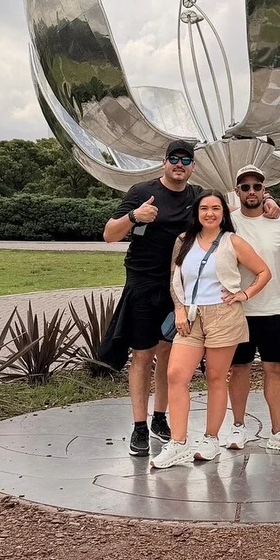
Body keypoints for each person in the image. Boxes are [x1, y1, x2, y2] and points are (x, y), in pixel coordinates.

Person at [151, 190, 271, 469]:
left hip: (222, 315)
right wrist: (179, 308)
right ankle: (178, 443)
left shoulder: (233, 242)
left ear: (223, 214)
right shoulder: (184, 241)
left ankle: (210, 438)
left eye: (216, 208)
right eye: (204, 208)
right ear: (196, 212)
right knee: (176, 374)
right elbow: (175, 279)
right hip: (190, 316)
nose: (209, 213)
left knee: (217, 377)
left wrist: (244, 294)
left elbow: (264, 272)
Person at [103, 140, 201, 456]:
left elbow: (222, 222)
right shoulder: (141, 191)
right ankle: (139, 427)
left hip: (178, 287)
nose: (180, 164)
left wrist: (271, 208)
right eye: (175, 158)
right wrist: (135, 216)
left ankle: (160, 418)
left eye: (186, 160)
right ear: (164, 162)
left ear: (192, 167)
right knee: (143, 355)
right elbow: (109, 234)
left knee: (168, 353)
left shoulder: (197, 196)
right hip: (143, 284)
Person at [227, 166, 280, 454]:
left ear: (265, 191)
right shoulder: (229, 221)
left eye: (257, 187)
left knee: (274, 368)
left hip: (273, 307)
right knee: (239, 368)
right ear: (237, 192)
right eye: (245, 187)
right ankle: (238, 426)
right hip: (238, 308)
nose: (251, 192)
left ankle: (278, 430)